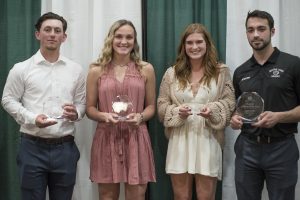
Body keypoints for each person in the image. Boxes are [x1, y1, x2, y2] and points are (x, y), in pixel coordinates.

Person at [1, 12, 86, 200]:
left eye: (57, 30)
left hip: (65, 148)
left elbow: (81, 104)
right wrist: (32, 119)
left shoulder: (76, 70)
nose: (52, 34)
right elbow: (8, 99)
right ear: (37, 34)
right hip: (31, 147)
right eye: (47, 30)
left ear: (64, 37)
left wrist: (76, 113)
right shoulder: (21, 69)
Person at [157, 23, 235, 200]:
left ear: (207, 44)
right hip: (179, 139)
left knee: (206, 197)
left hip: (208, 137)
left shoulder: (221, 72)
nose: (194, 47)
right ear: (183, 46)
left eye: (199, 42)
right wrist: (178, 112)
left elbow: (230, 103)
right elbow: (161, 105)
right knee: (180, 196)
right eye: (189, 42)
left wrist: (213, 110)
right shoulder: (172, 73)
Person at [230, 10, 300, 200]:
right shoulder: (240, 71)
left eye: (261, 29)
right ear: (246, 33)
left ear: (273, 31)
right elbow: (238, 108)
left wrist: (280, 117)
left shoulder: (293, 64)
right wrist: (234, 119)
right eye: (250, 30)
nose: (256, 34)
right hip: (247, 148)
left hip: (281, 149)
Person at [86, 19, 156, 200]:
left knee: (137, 196)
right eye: (118, 36)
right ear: (111, 38)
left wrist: (140, 117)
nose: (123, 42)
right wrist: (103, 115)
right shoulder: (96, 70)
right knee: (107, 196)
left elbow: (151, 107)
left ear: (135, 41)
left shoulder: (146, 69)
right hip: (106, 137)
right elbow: (90, 109)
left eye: (129, 37)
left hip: (136, 137)